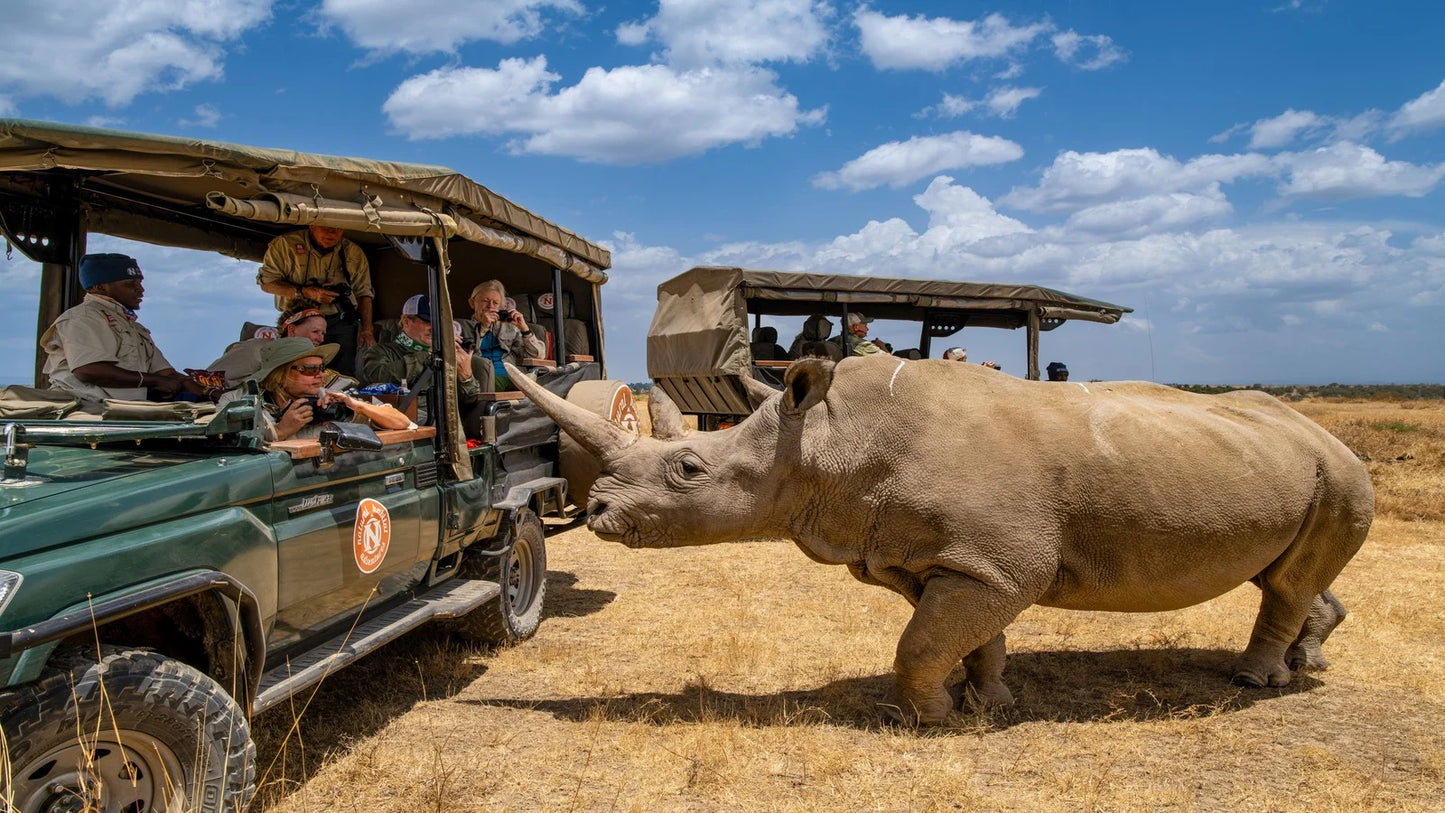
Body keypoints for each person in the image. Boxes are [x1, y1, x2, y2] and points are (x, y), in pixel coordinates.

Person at [41, 253, 206, 404]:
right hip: (87, 409)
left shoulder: (133, 327)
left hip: (125, 410)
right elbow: (89, 370)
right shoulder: (83, 318)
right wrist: (154, 381)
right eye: (130, 284)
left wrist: (212, 393)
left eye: (140, 283)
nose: (141, 289)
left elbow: (167, 375)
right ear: (100, 287)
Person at [219, 337, 410, 442]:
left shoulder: (330, 397)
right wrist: (281, 431)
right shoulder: (237, 403)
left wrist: (357, 406)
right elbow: (226, 451)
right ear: (280, 374)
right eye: (310, 369)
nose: (320, 375)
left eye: (321, 368)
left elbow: (401, 422)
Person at [255, 224, 376, 376]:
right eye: (326, 226)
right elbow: (267, 283)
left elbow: (364, 293)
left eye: (338, 227)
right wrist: (304, 292)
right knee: (296, 369)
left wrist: (367, 329)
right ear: (312, 225)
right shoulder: (285, 245)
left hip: (339, 321)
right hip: (299, 320)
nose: (332, 231)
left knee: (341, 374)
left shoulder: (353, 252)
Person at [360, 294, 481, 426]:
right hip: (402, 423)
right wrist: (426, 355)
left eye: (438, 323)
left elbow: (470, 402)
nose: (434, 328)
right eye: (427, 322)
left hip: (443, 427)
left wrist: (466, 378)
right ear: (406, 321)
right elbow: (377, 377)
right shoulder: (381, 351)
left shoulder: (451, 355)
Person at [206, 299, 356, 391]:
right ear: (292, 330)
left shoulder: (317, 365)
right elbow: (207, 379)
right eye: (315, 331)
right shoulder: (256, 350)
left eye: (323, 334)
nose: (320, 339)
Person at [461, 280, 545, 391]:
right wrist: (484, 328)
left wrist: (524, 329)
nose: (490, 306)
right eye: (485, 301)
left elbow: (537, 356)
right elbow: (467, 358)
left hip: (508, 376)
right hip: (478, 377)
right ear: (472, 303)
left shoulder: (510, 328)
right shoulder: (461, 327)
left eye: (495, 303)